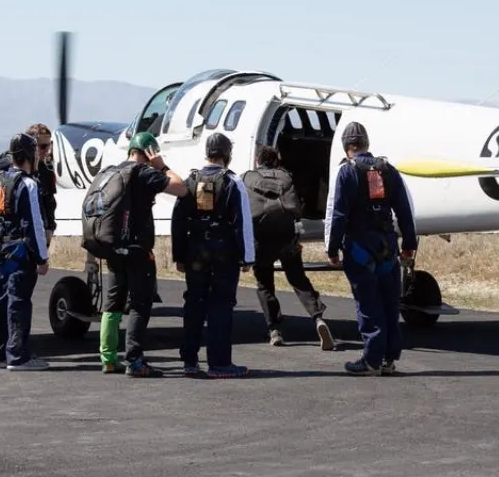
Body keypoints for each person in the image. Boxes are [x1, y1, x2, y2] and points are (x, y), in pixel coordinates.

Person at [325, 121, 417, 376]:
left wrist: (332, 249)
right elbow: (404, 211)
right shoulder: (388, 170)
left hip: (359, 248)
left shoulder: (347, 172)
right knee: (390, 304)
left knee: (368, 305)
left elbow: (339, 214)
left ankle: (371, 360)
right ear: (366, 144)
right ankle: (389, 359)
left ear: (347, 148)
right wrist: (409, 244)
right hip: (388, 245)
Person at [98, 131, 188, 376]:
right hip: (138, 251)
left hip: (113, 248)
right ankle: (135, 361)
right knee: (140, 304)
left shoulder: (113, 172)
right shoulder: (144, 172)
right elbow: (181, 188)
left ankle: (107, 358)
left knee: (113, 304)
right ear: (148, 152)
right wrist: (162, 165)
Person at [171, 133, 254, 378]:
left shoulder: (190, 181)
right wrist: (247, 257)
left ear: (207, 153)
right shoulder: (232, 182)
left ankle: (189, 360)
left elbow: (178, 219)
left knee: (194, 303)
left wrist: (179, 255)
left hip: (194, 252)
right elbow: (242, 222)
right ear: (227, 155)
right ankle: (219, 363)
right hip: (223, 255)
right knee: (221, 305)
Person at [242, 145, 333, 350]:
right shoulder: (285, 178)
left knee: (265, 284)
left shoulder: (247, 178)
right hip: (286, 238)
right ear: (277, 161)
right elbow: (297, 210)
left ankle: (274, 329)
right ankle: (317, 318)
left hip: (261, 240)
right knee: (298, 279)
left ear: (258, 160)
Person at [0, 132, 52, 371]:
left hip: (0, 252)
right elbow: (34, 224)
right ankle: (17, 356)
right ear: (28, 156)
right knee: (19, 303)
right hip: (20, 254)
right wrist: (42, 257)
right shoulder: (28, 184)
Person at [0, 123, 57, 247]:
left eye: (49, 145)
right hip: (10, 235)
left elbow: (49, 201)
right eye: (43, 147)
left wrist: (50, 227)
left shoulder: (46, 169)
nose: (47, 151)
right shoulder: (9, 163)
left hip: (36, 233)